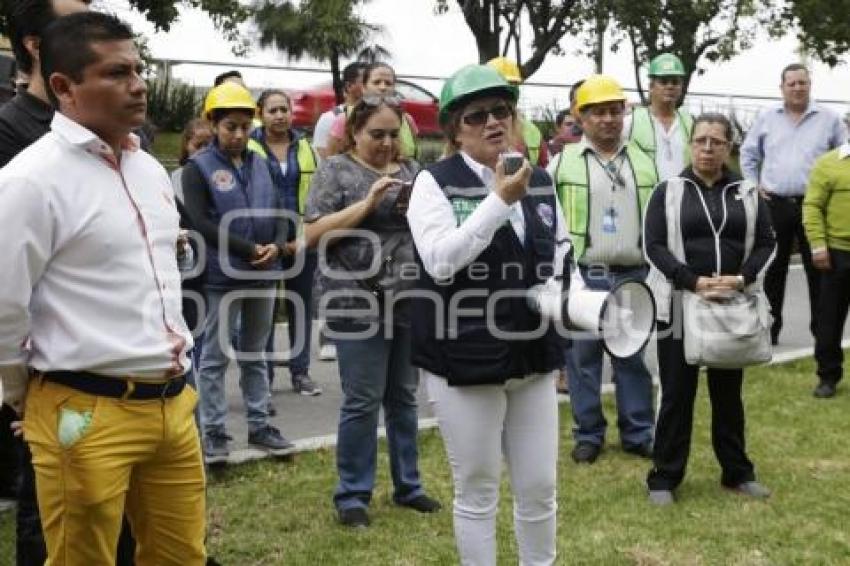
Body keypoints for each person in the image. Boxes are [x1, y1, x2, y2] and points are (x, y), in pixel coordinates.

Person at [0, 12, 206, 564]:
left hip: (172, 403)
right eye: (117, 73)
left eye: (139, 68)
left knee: (181, 556)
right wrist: (26, 392)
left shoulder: (149, 170)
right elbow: (4, 306)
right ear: (64, 87)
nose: (138, 84)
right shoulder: (29, 181)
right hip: (82, 409)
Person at [408, 64, 568, 565]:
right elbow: (441, 259)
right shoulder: (433, 183)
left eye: (501, 111)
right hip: (465, 353)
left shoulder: (538, 179)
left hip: (533, 350)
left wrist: (571, 293)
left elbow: (561, 250)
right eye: (477, 116)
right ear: (455, 129)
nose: (493, 122)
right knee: (477, 488)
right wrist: (498, 201)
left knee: (540, 485)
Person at [0, 3, 140, 566]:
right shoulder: (15, 142)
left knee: (124, 525)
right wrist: (19, 385)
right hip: (56, 379)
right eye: (79, 21)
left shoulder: (124, 136)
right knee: (55, 521)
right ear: (40, 47)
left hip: (131, 380)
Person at [304, 95, 440, 528]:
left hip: (406, 297)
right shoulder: (335, 170)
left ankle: (409, 487)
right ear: (354, 134)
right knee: (363, 399)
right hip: (355, 301)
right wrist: (367, 203)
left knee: (403, 396)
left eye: (392, 134)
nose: (385, 143)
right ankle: (353, 495)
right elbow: (313, 233)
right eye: (374, 134)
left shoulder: (413, 172)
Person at [643, 113, 776, 505]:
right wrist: (692, 280)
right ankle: (664, 478)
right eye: (700, 140)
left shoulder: (748, 193)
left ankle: (737, 473)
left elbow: (768, 243)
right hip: (681, 304)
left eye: (715, 142)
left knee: (728, 394)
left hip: (732, 303)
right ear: (690, 144)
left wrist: (742, 278)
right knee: (676, 394)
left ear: (728, 147)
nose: (706, 148)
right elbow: (653, 246)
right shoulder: (668, 191)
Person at [182, 81, 295, 464]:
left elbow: (282, 211)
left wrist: (277, 246)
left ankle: (260, 424)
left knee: (255, 353)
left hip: (265, 273)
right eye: (230, 126)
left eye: (246, 126)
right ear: (212, 124)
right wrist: (249, 250)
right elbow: (199, 221)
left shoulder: (260, 163)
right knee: (214, 357)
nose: (239, 134)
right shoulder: (198, 168)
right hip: (223, 276)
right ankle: (214, 431)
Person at [550, 74, 658, 465]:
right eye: (599, 113)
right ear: (582, 116)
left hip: (633, 272)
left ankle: (639, 431)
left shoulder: (645, 162)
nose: (609, 120)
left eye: (615, 111)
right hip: (584, 274)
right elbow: (550, 220)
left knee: (631, 356)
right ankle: (589, 433)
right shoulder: (562, 163)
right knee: (582, 359)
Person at [740, 63, 846, 345]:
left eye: (803, 83)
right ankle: (770, 331)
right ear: (782, 87)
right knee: (773, 271)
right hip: (775, 204)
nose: (798, 88)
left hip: (815, 207)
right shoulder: (767, 118)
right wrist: (752, 185)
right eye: (792, 83)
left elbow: (843, 159)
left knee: (820, 271)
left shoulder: (830, 119)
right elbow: (748, 154)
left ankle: (821, 335)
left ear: (810, 85)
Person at [249, 89, 322, 397]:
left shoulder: (305, 146)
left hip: (300, 237)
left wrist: (307, 235)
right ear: (261, 113)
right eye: (272, 110)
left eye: (284, 109)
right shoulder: (250, 146)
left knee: (300, 305)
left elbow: (318, 191)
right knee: (262, 308)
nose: (279, 115)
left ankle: (300, 372)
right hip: (262, 238)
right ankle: (262, 374)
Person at [802, 140, 850, 398]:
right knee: (829, 320)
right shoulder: (828, 163)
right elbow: (812, 206)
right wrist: (818, 245)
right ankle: (827, 376)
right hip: (836, 253)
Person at [326, 62, 420, 160]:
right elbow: (329, 162)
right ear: (364, 87)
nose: (383, 87)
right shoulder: (345, 118)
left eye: (388, 83)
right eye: (376, 82)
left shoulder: (407, 120)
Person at [625, 53, 694, 181]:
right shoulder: (631, 122)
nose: (670, 86)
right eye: (663, 82)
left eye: (675, 82)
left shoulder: (689, 122)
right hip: (645, 197)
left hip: (683, 196)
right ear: (651, 87)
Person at [487, 56, 549, 168]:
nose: (508, 92)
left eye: (513, 85)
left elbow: (543, 168)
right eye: (500, 87)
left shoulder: (532, 131)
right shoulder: (474, 127)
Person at [312, 61, 366, 160]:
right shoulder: (330, 117)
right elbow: (322, 156)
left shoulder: (375, 116)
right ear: (349, 86)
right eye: (365, 81)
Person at [171, 118, 213, 202]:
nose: (203, 151)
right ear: (186, 145)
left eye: (208, 146)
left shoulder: (222, 176)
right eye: (198, 146)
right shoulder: (176, 177)